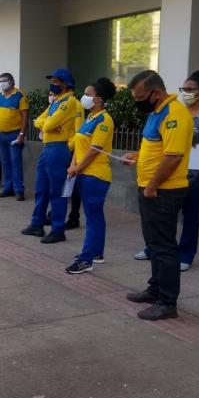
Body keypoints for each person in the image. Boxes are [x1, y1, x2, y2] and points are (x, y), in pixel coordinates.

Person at [121, 70, 193, 321]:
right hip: (151, 188)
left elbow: (173, 157)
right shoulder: (157, 112)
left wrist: (152, 185)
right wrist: (137, 156)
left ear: (156, 92)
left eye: (141, 97)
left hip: (164, 191)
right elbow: (156, 148)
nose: (137, 102)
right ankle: (155, 289)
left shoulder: (175, 114)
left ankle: (167, 302)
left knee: (164, 247)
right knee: (153, 243)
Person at [133, 70, 199, 271]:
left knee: (190, 213)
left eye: (191, 89)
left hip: (197, 171)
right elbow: (160, 141)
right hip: (171, 169)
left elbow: (186, 140)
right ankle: (154, 248)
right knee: (164, 217)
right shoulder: (173, 110)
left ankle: (186, 253)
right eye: (184, 89)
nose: (185, 92)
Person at [21, 69, 82, 243]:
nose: (53, 84)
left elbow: (48, 125)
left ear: (65, 83)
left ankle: (58, 229)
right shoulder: (55, 102)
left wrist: (47, 124)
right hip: (48, 148)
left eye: (56, 81)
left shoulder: (69, 102)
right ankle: (37, 224)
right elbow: (37, 121)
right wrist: (47, 124)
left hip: (58, 149)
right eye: (52, 81)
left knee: (57, 191)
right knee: (41, 188)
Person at [64, 78, 116, 274]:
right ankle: (96, 253)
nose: (83, 97)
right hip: (84, 173)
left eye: (88, 94)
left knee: (93, 218)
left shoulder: (104, 120)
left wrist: (76, 169)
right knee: (96, 216)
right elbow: (80, 146)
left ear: (99, 99)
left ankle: (86, 260)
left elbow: (94, 150)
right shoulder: (90, 118)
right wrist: (73, 165)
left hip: (95, 176)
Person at [0, 72, 28, 200]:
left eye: (4, 80)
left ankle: (19, 190)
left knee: (15, 162)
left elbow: (25, 116)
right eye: (0, 80)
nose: (2, 83)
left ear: (12, 81)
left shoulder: (19, 96)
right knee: (5, 162)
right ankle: (8, 188)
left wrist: (21, 134)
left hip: (15, 134)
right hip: (1, 135)